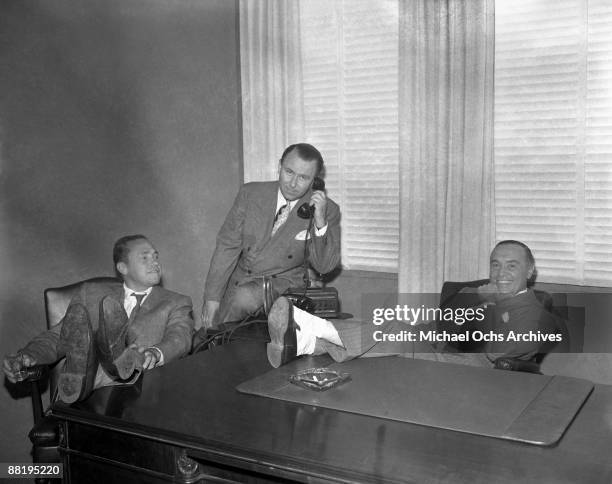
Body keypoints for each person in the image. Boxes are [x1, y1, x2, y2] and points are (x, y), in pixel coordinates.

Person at [265, 240, 565, 368]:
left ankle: (310, 332)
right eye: (496, 265)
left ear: (530, 272)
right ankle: (306, 341)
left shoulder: (535, 315)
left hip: (473, 369)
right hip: (443, 344)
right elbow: (448, 322)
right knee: (389, 328)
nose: (500, 273)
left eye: (512, 266)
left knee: (394, 341)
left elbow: (496, 352)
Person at [3, 235, 194, 403]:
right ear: (123, 267)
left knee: (132, 359)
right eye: (145, 257)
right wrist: (28, 356)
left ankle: (114, 361)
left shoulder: (176, 302)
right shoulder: (92, 294)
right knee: (84, 340)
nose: (155, 263)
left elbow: (180, 338)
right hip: (91, 397)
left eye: (156, 256)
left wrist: (154, 353)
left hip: (140, 392)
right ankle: (91, 370)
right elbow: (60, 336)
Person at [202, 143, 341, 328]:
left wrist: (320, 221)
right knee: (214, 331)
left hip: (283, 283)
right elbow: (227, 246)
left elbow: (324, 266)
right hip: (241, 278)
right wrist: (212, 298)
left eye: (303, 177)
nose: (292, 184)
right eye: (289, 172)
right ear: (279, 166)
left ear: (315, 181)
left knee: (244, 300)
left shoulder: (327, 209)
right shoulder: (250, 194)